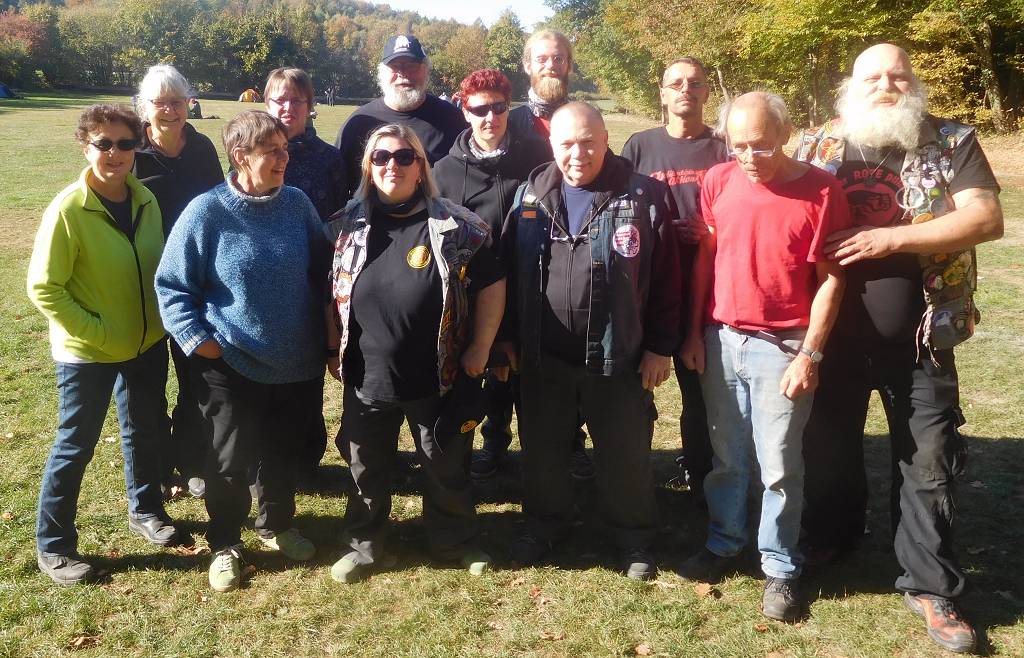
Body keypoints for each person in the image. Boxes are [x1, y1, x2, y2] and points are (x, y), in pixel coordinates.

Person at [795, 44, 1003, 653]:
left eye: (898, 75)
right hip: (829, 339)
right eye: (872, 76)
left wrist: (889, 239)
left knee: (928, 459)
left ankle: (930, 584)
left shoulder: (951, 141)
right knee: (827, 447)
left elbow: (985, 218)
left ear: (914, 84)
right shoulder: (816, 146)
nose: (886, 85)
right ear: (850, 84)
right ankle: (832, 539)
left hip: (921, 339)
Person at [678, 92, 849, 621]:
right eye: (738, 145)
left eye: (761, 145)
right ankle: (724, 541)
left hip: (784, 345)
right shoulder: (718, 180)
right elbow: (706, 258)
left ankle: (779, 565)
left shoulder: (822, 191)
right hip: (722, 339)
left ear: (786, 134)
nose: (749, 157)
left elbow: (832, 279)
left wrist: (810, 355)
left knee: (778, 464)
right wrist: (695, 332)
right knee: (726, 454)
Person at [498, 102, 680, 580]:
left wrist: (660, 347)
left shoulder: (643, 196)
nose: (577, 154)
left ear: (605, 140)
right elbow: (510, 275)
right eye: (566, 144)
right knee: (543, 451)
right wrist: (508, 338)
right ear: (551, 144)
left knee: (625, 454)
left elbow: (667, 279)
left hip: (618, 355)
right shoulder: (529, 195)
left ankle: (634, 537)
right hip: (544, 356)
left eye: (587, 142)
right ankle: (546, 524)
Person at [155, 111, 330, 593]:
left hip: (296, 361)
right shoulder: (207, 211)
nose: (284, 158)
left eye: (285, 149)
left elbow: (323, 270)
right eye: (272, 151)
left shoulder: (297, 204)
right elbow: (172, 286)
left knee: (283, 452)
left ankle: (277, 524)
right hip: (230, 362)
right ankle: (226, 542)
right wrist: (197, 340)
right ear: (240, 156)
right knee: (229, 459)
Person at [325, 124, 505, 584]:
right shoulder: (345, 225)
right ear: (368, 167)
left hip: (437, 373)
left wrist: (481, 346)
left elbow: (491, 284)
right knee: (365, 465)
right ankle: (364, 545)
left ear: (421, 166)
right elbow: (327, 290)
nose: (393, 165)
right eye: (381, 157)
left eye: (405, 157)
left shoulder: (457, 225)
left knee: (445, 463)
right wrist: (331, 346)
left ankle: (454, 540)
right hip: (366, 373)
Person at [28, 104, 181, 585]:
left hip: (146, 344)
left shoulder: (146, 200)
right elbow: (44, 288)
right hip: (88, 352)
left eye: (125, 143)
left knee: (144, 429)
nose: (115, 153)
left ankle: (146, 509)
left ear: (137, 148)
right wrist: (97, 331)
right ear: (86, 146)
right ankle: (53, 546)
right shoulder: (69, 209)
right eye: (104, 143)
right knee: (75, 445)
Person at [433, 69, 551, 480]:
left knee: (532, 381)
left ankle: (555, 453)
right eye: (480, 109)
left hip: (532, 288)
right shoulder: (445, 171)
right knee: (480, 375)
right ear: (465, 112)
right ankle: (490, 443)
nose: (490, 118)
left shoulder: (537, 156)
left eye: (499, 108)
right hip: (473, 295)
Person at [620, 56, 729, 496]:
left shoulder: (724, 147)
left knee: (702, 395)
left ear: (707, 92)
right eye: (677, 83)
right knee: (635, 390)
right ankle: (632, 478)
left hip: (710, 292)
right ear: (663, 94)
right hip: (648, 291)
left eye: (695, 83)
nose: (686, 89)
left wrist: (713, 231)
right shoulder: (640, 146)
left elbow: (748, 213)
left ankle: (702, 476)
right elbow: (618, 207)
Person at [133, 64, 224, 501]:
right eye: (159, 102)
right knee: (147, 383)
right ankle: (157, 467)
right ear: (144, 107)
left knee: (194, 375)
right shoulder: (130, 151)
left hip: (195, 282)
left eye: (177, 101)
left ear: (189, 103)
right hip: (143, 280)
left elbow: (220, 205)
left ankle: (191, 461)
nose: (169, 110)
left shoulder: (202, 147)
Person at [263, 67, 347, 479]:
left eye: (296, 100)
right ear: (267, 103)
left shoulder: (330, 159)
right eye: (279, 99)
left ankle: (307, 454)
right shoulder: (252, 151)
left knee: (310, 368)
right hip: (265, 279)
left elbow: (343, 217)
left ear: (310, 106)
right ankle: (266, 456)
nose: (288, 107)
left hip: (315, 279)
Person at [334, 35, 467, 198]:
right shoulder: (358, 122)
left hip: (439, 213)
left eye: (412, 66)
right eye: (395, 67)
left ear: (426, 70)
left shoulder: (452, 119)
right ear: (382, 73)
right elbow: (339, 185)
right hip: (373, 214)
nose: (403, 73)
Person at [507, 29, 573, 150]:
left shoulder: (585, 120)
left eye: (558, 59)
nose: (551, 65)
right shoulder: (509, 124)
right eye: (541, 59)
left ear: (569, 66)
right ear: (528, 66)